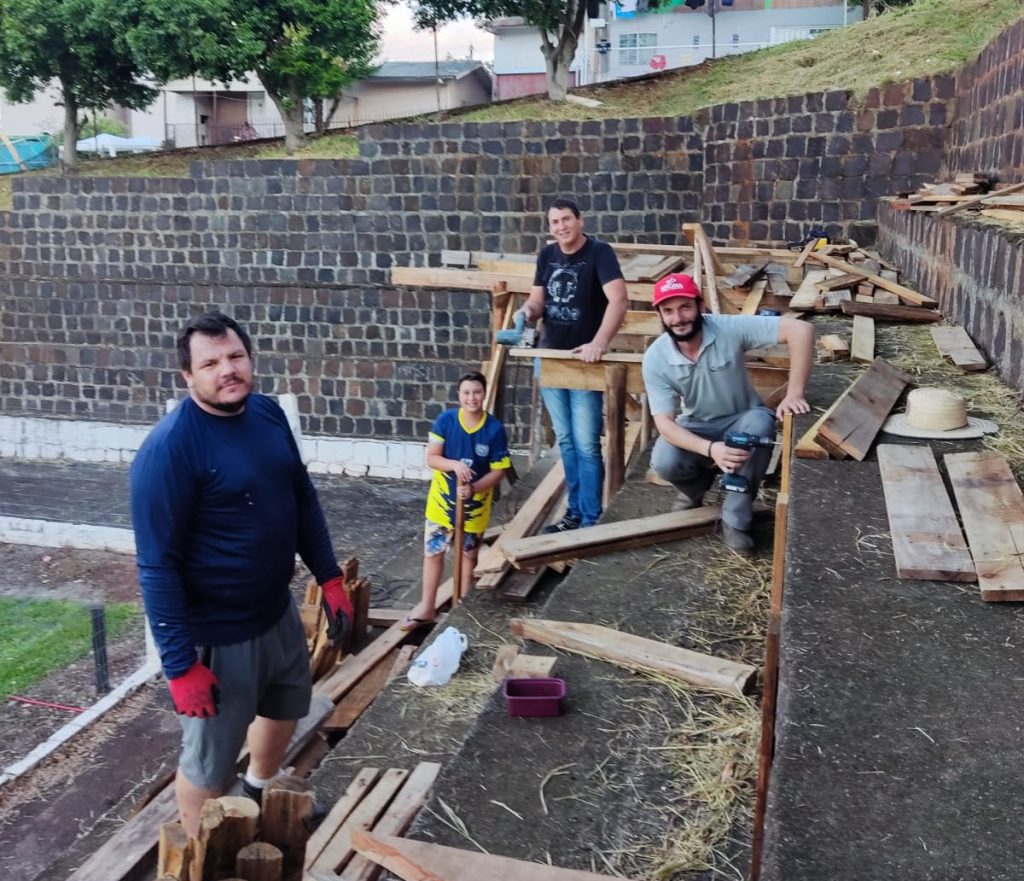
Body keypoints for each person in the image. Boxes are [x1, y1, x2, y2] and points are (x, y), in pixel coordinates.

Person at [129, 312, 353, 836]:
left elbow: (301, 498)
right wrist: (181, 666)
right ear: (188, 376)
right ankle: (205, 855)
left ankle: (256, 789)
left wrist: (330, 577)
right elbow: (156, 566)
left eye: (235, 357)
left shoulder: (268, 414)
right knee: (208, 762)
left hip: (275, 611)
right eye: (210, 364)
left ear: (249, 358)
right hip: (218, 634)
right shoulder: (169, 451)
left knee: (286, 705)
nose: (227, 370)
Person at [641, 273, 814, 554]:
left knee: (758, 426)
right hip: (698, 424)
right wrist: (711, 449)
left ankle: (735, 518)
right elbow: (665, 424)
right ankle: (694, 489)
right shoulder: (656, 358)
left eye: (685, 307)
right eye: (668, 311)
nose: (678, 318)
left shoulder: (727, 328)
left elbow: (801, 331)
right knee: (664, 460)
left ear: (700, 305)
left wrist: (794, 393)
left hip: (743, 416)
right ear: (660, 315)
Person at [516, 197, 628, 533]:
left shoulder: (599, 253)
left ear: (580, 220)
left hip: (583, 363)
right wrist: (525, 313)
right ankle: (574, 513)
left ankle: (591, 520)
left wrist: (599, 342)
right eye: (555, 222)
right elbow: (538, 301)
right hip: (549, 359)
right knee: (566, 441)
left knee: (587, 443)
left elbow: (620, 299)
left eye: (567, 219)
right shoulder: (547, 255)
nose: (561, 226)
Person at [400, 371, 511, 630]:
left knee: (468, 555)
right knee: (433, 552)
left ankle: (461, 609)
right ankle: (427, 606)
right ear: (459, 395)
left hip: (475, 506)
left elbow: (499, 470)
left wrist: (474, 489)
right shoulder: (446, 421)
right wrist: (453, 465)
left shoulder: (494, 429)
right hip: (442, 503)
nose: (472, 398)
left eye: (477, 392)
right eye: (466, 393)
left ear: (484, 394)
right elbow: (432, 458)